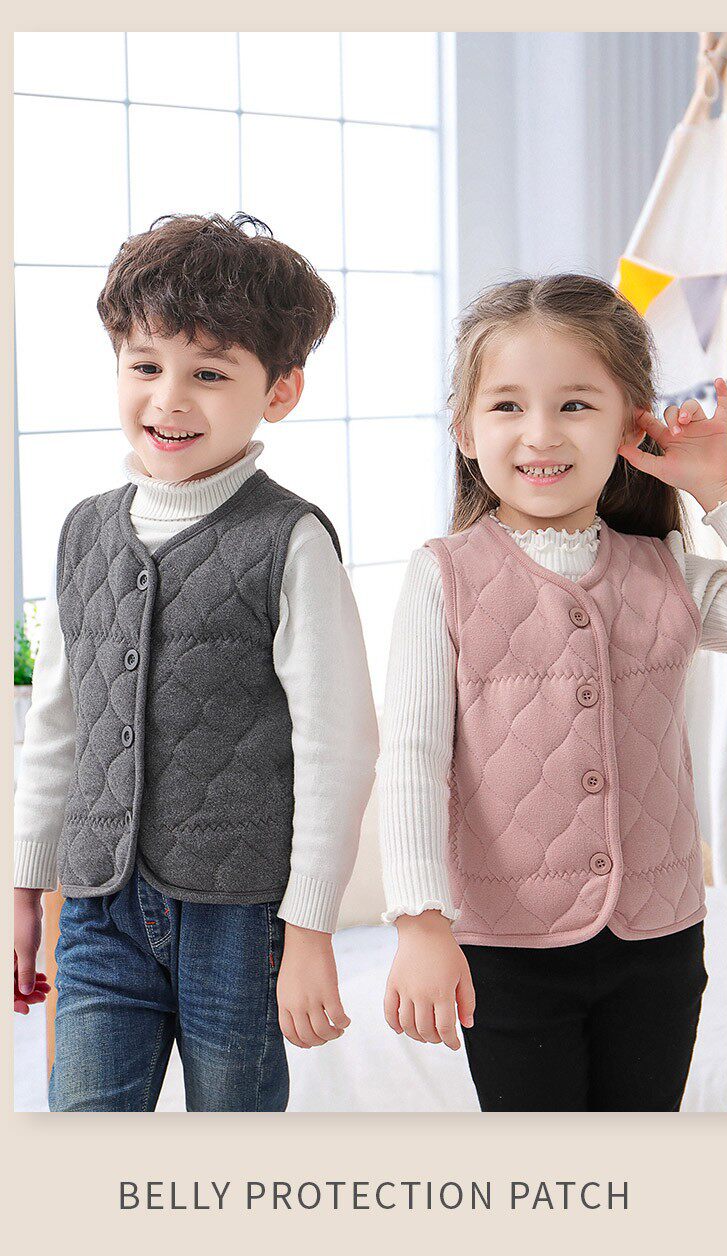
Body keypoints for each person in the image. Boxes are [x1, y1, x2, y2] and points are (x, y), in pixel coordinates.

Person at [13, 212, 379, 1112]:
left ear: (280, 391)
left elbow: (337, 748)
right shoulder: (83, 533)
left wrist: (310, 930)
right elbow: (57, 725)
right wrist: (25, 885)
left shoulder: (290, 540)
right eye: (145, 366)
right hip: (98, 912)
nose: (169, 400)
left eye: (209, 374)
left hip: (241, 923)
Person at [378, 274, 727, 1111]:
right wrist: (421, 921)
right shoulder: (442, 578)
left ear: (631, 425)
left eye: (575, 404)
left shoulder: (672, 573)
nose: (541, 433)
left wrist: (722, 490)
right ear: (465, 430)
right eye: (507, 406)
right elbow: (413, 761)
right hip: (506, 949)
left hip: (660, 939)